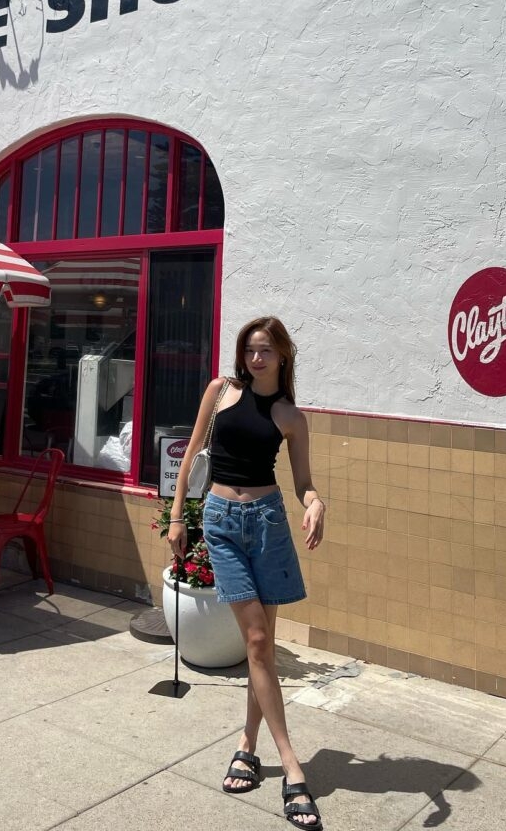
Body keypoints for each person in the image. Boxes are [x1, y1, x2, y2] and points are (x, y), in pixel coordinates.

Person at [168, 316, 326, 829]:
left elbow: (303, 481)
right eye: (250, 349)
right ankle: (293, 767)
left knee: (262, 645)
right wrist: (176, 517)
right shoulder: (221, 392)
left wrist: (316, 502)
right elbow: (191, 455)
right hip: (220, 521)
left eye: (265, 351)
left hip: (268, 524)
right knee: (257, 639)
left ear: (282, 356)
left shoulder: (290, 416)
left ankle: (247, 745)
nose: (256, 358)